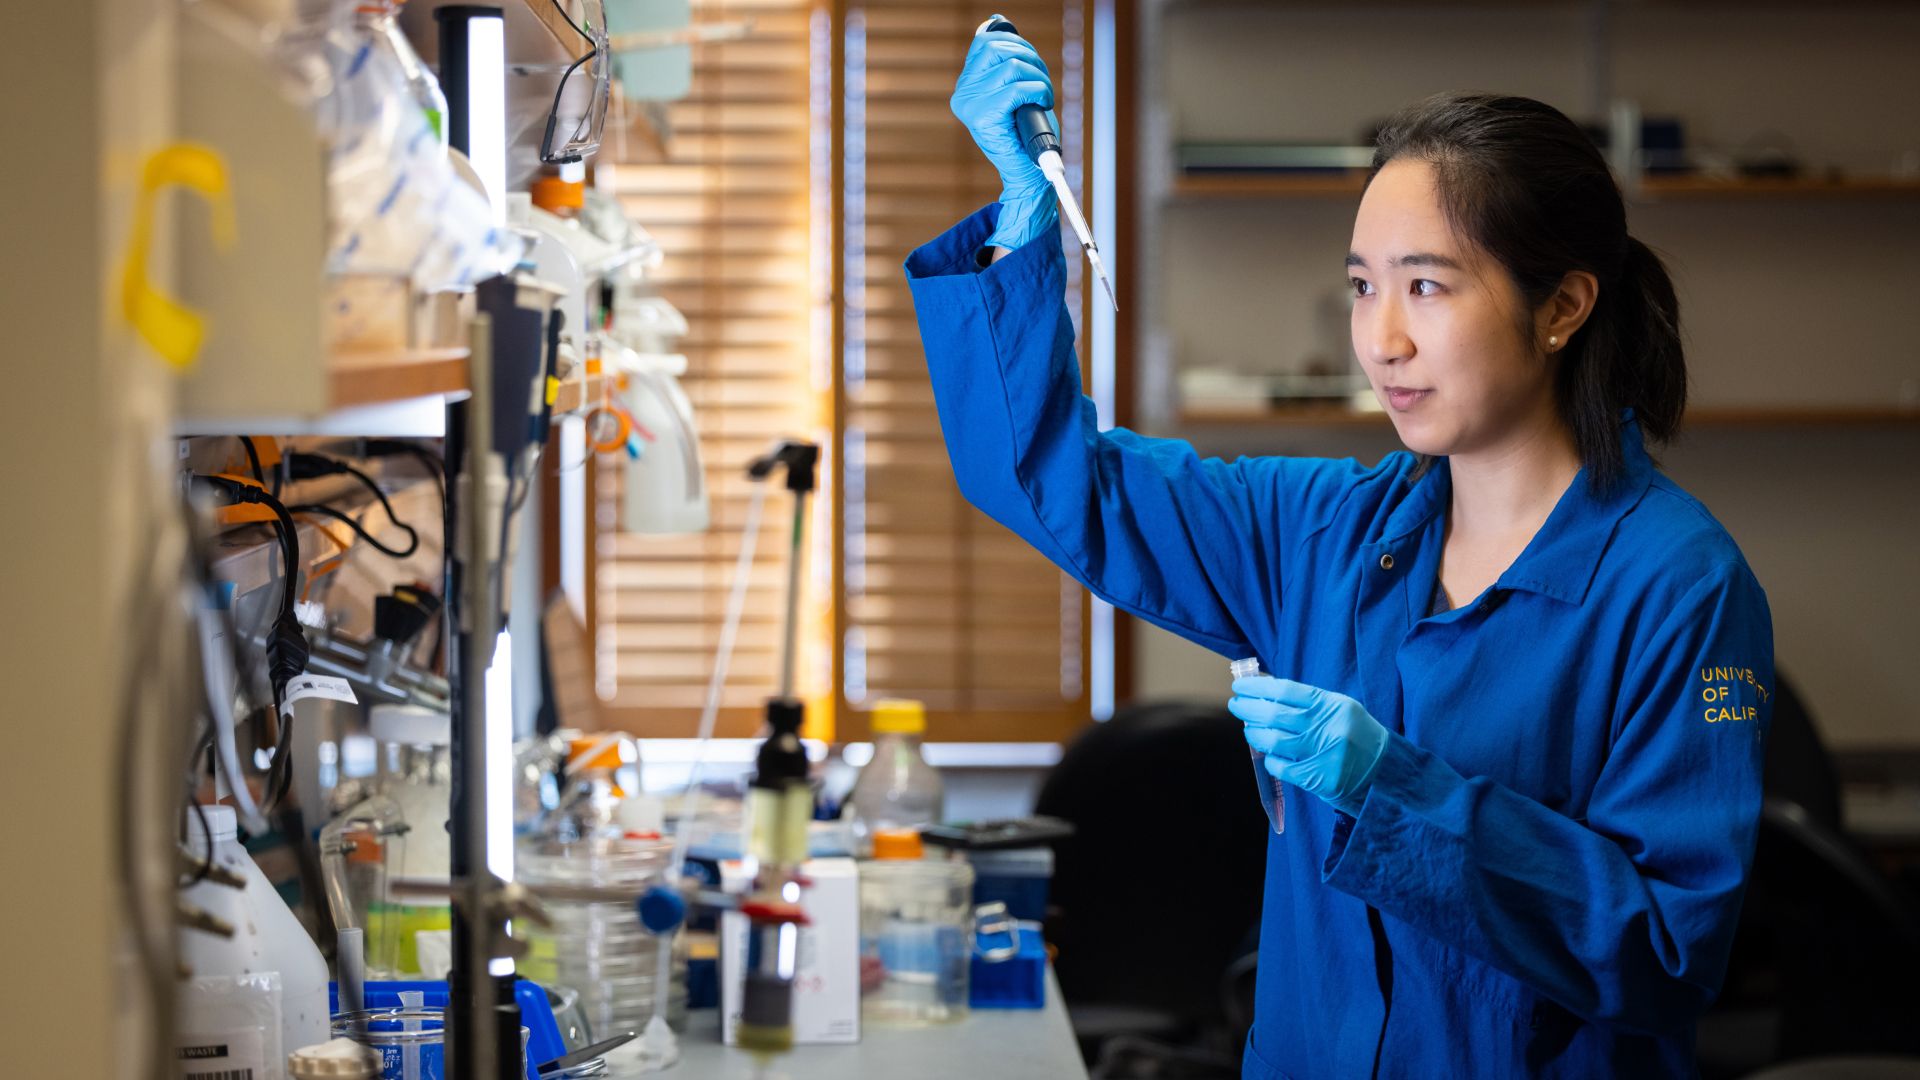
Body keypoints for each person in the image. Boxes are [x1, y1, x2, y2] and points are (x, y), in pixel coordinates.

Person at [904, 25, 1775, 1080]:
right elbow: (1055, 481)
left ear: (1563, 306)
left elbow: (1669, 953)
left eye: (1428, 286)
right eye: (1364, 286)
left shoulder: (1678, 584)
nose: (1383, 341)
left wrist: (1394, 789)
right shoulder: (1323, 531)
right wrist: (1021, 217)